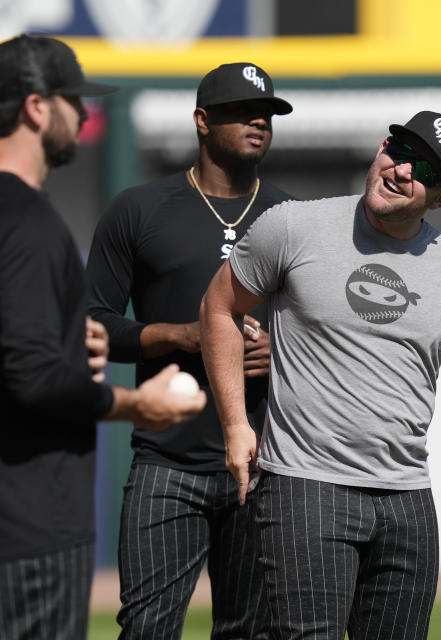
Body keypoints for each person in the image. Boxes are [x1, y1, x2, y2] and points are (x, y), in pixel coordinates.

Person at [200, 111, 441, 639]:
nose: (401, 169)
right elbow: (219, 307)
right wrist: (236, 424)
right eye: (398, 150)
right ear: (380, 149)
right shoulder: (292, 226)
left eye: (423, 168)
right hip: (307, 489)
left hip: (407, 501)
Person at [0, 35, 206, 640]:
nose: (83, 114)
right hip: (27, 519)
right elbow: (34, 380)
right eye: (72, 100)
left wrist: (68, 341)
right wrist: (139, 405)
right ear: (35, 108)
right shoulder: (26, 220)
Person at [87, 62, 294, 638]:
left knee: (250, 632)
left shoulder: (292, 218)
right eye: (240, 112)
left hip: (263, 461)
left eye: (268, 114)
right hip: (165, 461)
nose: (258, 121)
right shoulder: (139, 209)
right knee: (147, 628)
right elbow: (92, 324)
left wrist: (280, 349)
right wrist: (182, 336)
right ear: (202, 121)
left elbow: (323, 330)